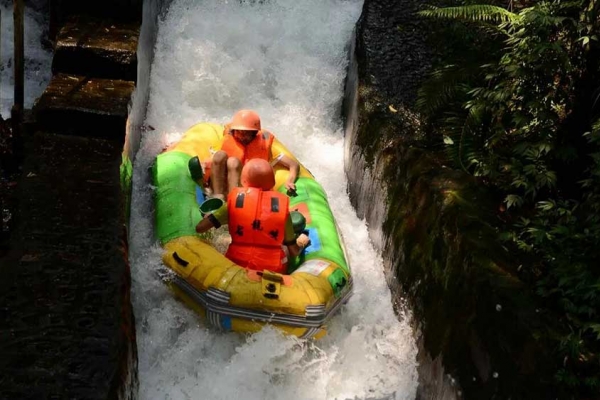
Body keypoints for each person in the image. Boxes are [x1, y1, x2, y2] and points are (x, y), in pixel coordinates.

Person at [196, 158, 310, 274]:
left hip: (235, 265)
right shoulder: (280, 209)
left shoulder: (232, 204)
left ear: (243, 181)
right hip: (271, 271)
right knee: (284, 247)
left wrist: (212, 217)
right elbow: (294, 251)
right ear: (272, 182)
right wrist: (301, 242)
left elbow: (200, 228)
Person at [209, 109, 300, 199]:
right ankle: (217, 198)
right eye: (238, 132)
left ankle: (233, 201)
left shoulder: (265, 145)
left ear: (254, 133)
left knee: (233, 162)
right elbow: (212, 160)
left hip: (246, 189)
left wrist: (289, 181)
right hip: (223, 185)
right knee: (220, 156)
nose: (241, 136)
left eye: (245, 133)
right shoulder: (228, 139)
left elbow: (293, 165)